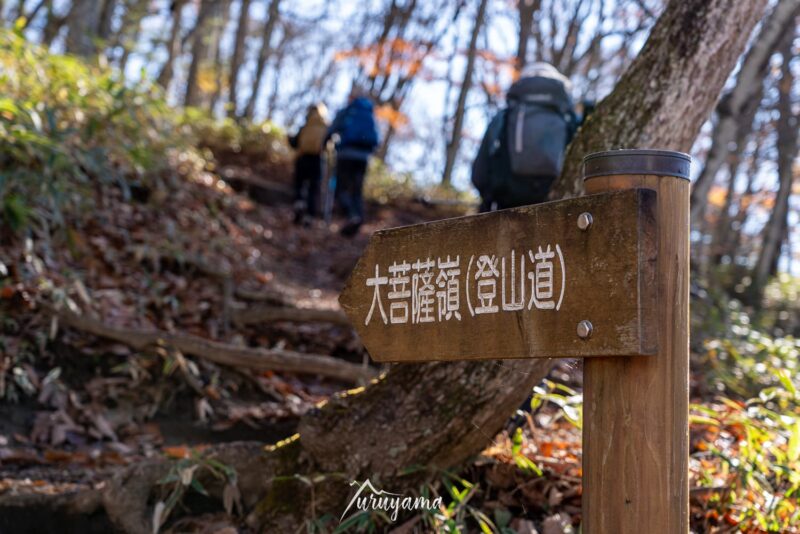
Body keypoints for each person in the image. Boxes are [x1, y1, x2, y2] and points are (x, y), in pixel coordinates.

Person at [471, 62, 579, 212]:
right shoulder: (569, 118)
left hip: (506, 207)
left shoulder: (504, 117)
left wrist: (489, 198)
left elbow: (479, 175)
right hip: (558, 205)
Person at [326, 91, 380, 237]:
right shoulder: (369, 113)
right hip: (363, 157)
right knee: (357, 190)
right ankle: (358, 218)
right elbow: (376, 138)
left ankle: (351, 216)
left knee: (341, 188)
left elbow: (332, 129)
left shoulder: (347, 111)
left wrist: (325, 142)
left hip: (346, 154)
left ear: (351, 98)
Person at [288, 103, 329, 225]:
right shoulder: (325, 126)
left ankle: (299, 203)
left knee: (299, 184)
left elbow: (295, 143)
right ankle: (309, 216)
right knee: (313, 188)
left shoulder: (306, 126)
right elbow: (329, 145)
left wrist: (289, 138)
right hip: (317, 159)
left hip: (302, 158)